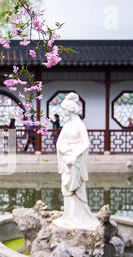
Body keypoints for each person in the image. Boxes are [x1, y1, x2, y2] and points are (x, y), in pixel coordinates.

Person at [52, 92, 100, 231]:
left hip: (75, 161)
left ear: (70, 110)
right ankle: (69, 216)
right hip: (67, 158)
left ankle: (79, 217)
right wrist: (64, 149)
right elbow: (59, 142)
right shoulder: (67, 126)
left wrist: (75, 155)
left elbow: (86, 143)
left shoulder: (80, 125)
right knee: (66, 189)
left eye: (64, 110)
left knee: (76, 188)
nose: (63, 112)